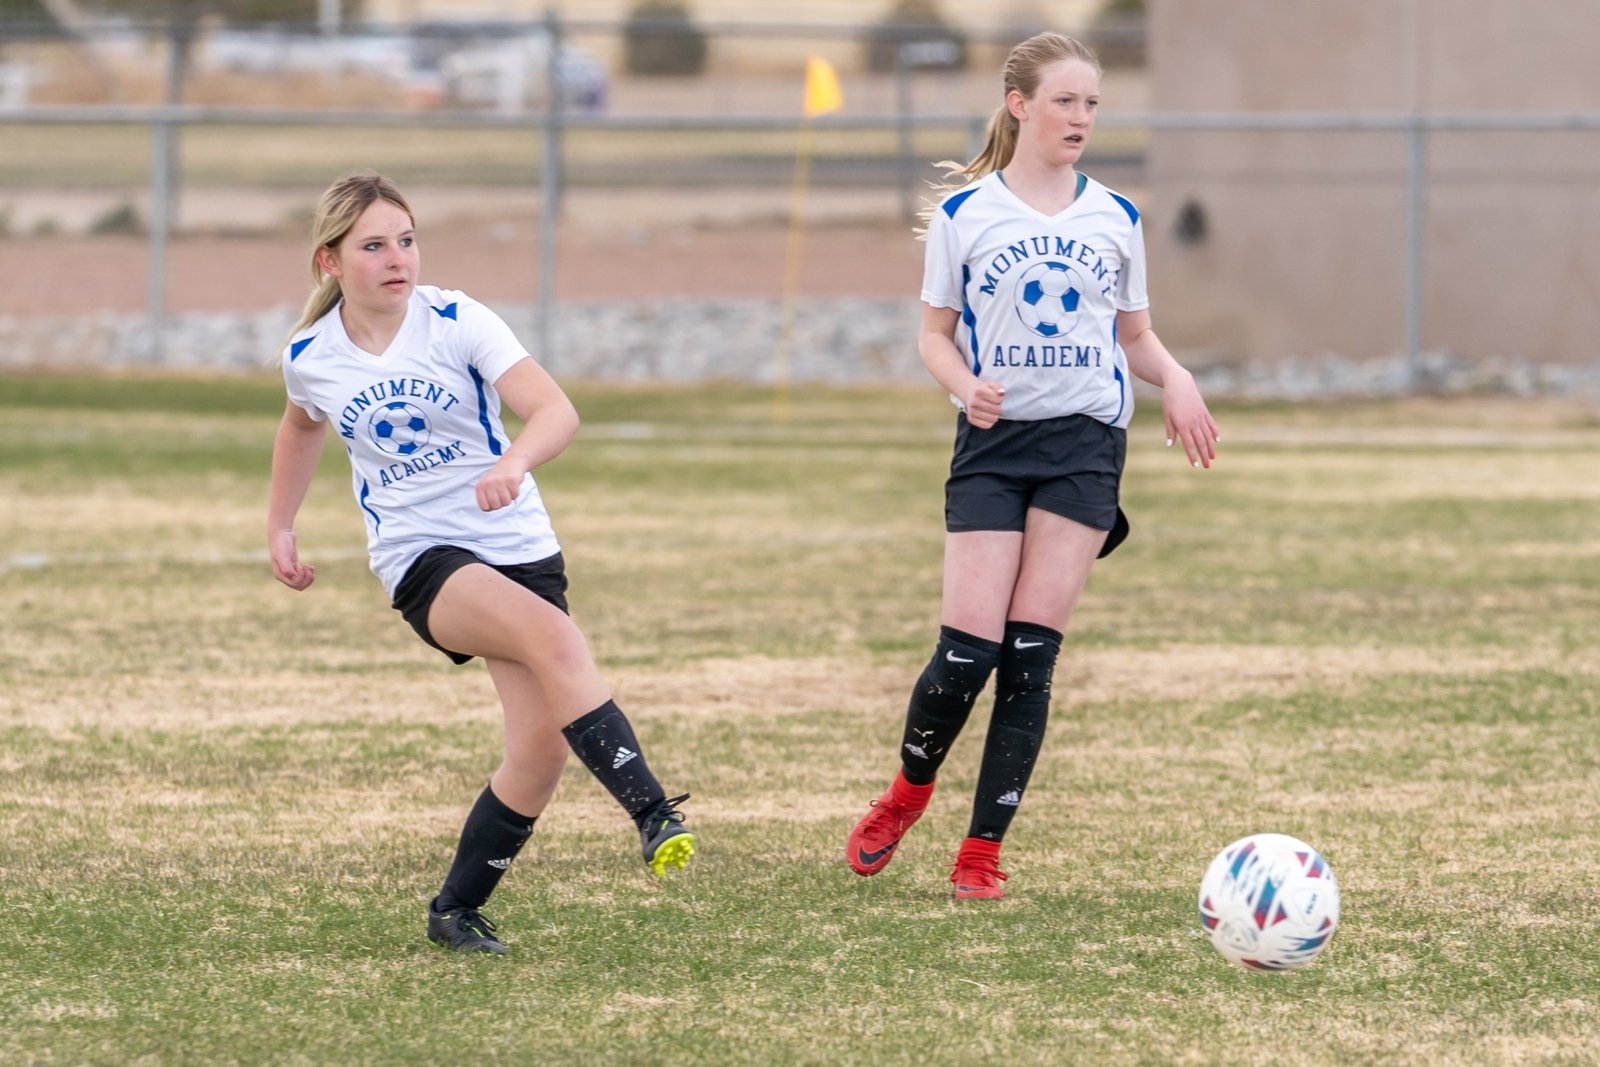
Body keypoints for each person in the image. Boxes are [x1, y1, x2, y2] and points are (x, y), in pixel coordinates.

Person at [267, 171, 695, 955]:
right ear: (330, 260)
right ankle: (653, 812)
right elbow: (301, 427)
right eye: (373, 246)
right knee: (555, 639)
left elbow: (555, 410)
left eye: (406, 240)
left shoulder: (457, 318)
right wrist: (280, 526)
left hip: (520, 543)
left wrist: (515, 461)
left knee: (539, 750)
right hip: (422, 556)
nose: (397, 258)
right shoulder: (311, 355)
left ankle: (454, 910)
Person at [845, 33, 1219, 900]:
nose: (1081, 117)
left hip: (1084, 447)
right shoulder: (965, 216)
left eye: (1092, 104)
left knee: (1029, 655)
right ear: (1019, 106)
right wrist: (965, 386)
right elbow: (933, 337)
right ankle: (906, 793)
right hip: (994, 447)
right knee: (966, 652)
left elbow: (1134, 335)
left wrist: (1177, 379)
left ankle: (981, 852)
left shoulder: (1116, 217)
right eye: (1065, 101)